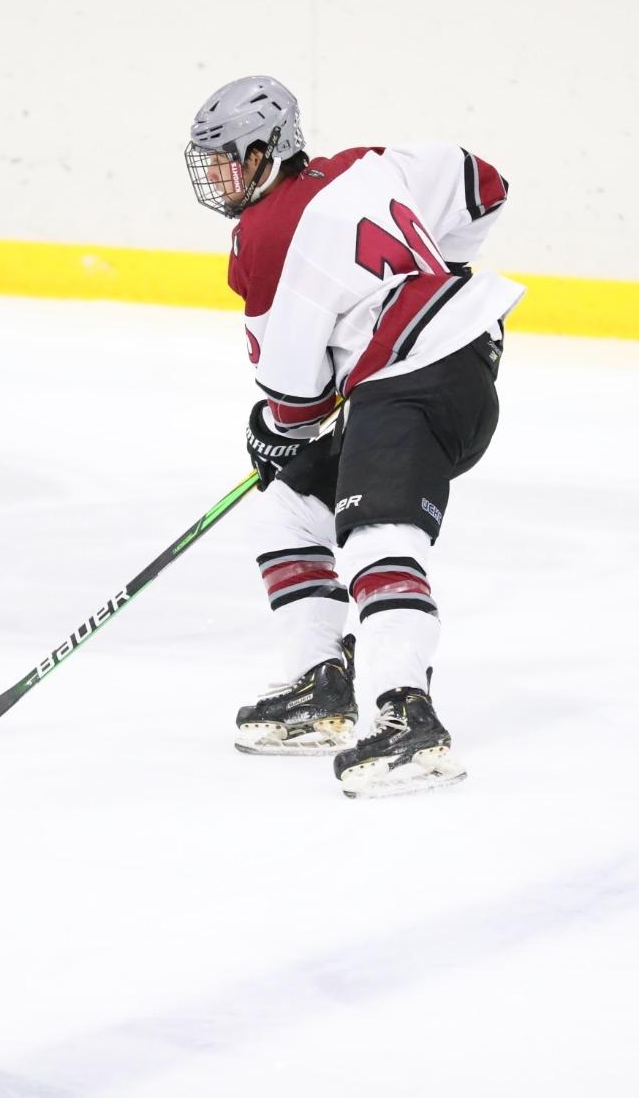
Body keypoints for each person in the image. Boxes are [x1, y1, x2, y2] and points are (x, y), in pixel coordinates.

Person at [184, 76, 523, 798]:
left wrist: (271, 432)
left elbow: (296, 402)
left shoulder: (261, 237)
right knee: (295, 504)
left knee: (375, 533)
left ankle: (409, 718)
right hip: (455, 368)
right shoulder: (373, 164)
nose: (216, 176)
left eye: (228, 158)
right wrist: (429, 266)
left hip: (411, 377)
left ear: (268, 151)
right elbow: (485, 185)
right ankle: (322, 684)